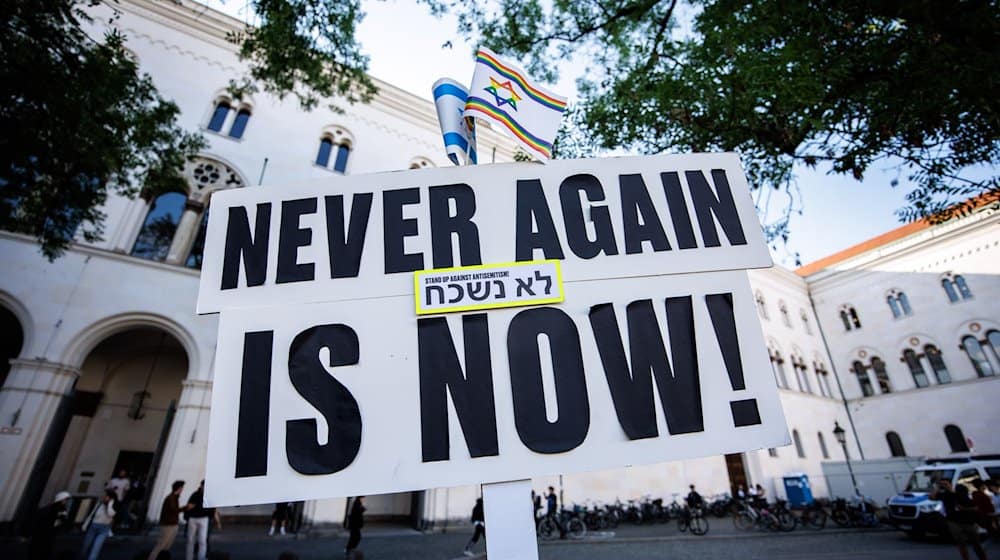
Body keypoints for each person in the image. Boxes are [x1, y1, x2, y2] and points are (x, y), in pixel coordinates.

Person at [933, 480, 987, 560]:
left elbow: (975, 508)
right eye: (943, 484)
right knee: (961, 543)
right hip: (953, 521)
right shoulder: (945, 495)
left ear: (951, 485)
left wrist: (964, 508)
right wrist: (936, 487)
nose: (944, 486)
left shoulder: (961, 494)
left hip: (968, 522)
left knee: (976, 543)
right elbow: (932, 497)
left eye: (946, 484)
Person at [147, 480, 185, 560]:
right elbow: (174, 510)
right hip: (168, 524)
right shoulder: (171, 498)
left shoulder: (174, 498)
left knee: (166, 545)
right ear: (178, 488)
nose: (182, 490)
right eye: (182, 488)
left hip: (172, 523)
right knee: (161, 545)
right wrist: (186, 508)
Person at [30, 491, 71, 560]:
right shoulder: (60, 509)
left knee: (37, 551)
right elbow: (59, 521)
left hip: (43, 533)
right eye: (65, 500)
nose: (66, 502)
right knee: (43, 551)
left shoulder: (50, 508)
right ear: (61, 499)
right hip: (47, 533)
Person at [185, 480, 221, 560]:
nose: (204, 488)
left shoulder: (209, 495)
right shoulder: (195, 494)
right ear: (201, 486)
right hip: (193, 518)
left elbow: (214, 508)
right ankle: (189, 557)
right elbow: (189, 506)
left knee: (202, 540)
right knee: (191, 539)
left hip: (204, 518)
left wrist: (217, 522)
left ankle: (201, 557)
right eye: (204, 486)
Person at [79, 489, 117, 560]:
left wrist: (109, 504)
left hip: (104, 528)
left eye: (106, 496)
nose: (104, 497)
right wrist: (85, 524)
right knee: (86, 545)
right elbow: (92, 514)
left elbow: (110, 514)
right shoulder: (99, 504)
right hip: (94, 525)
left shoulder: (113, 505)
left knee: (96, 547)